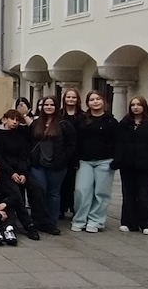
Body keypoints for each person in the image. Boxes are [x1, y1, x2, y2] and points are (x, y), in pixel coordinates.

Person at [0, 109, 41, 240]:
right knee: (16, 193)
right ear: (5, 119)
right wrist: (12, 173)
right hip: (5, 172)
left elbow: (23, 155)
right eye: (12, 119)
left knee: (36, 188)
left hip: (21, 170)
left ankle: (41, 220)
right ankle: (29, 226)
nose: (15, 122)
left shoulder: (21, 134)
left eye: (17, 120)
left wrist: (22, 173)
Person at [72, 90, 119, 233]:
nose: (95, 102)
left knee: (101, 193)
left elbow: (118, 142)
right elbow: (76, 141)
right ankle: (79, 219)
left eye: (98, 99)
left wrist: (116, 160)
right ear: (88, 103)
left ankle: (96, 221)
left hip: (105, 161)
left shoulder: (111, 121)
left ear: (104, 101)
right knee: (81, 190)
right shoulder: (81, 120)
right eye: (92, 99)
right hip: (85, 161)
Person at [114, 96, 148, 236]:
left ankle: (147, 224)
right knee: (128, 194)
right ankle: (129, 222)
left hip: (146, 166)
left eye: (139, 105)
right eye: (133, 105)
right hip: (127, 165)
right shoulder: (125, 123)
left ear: (144, 107)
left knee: (145, 195)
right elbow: (119, 144)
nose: (136, 107)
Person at [29, 96, 76, 236]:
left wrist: (64, 159)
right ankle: (39, 219)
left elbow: (72, 145)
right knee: (40, 191)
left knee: (54, 194)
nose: (48, 107)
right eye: (45, 105)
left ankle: (51, 221)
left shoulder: (64, 124)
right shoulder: (36, 123)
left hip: (57, 165)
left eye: (51, 105)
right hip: (38, 164)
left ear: (56, 107)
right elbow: (29, 142)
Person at [60, 88, 85, 219]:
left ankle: (75, 207)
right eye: (68, 97)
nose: (71, 99)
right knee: (62, 182)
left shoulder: (83, 116)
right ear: (64, 99)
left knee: (76, 184)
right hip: (62, 153)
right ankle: (61, 208)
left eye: (73, 97)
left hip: (77, 153)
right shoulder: (59, 115)